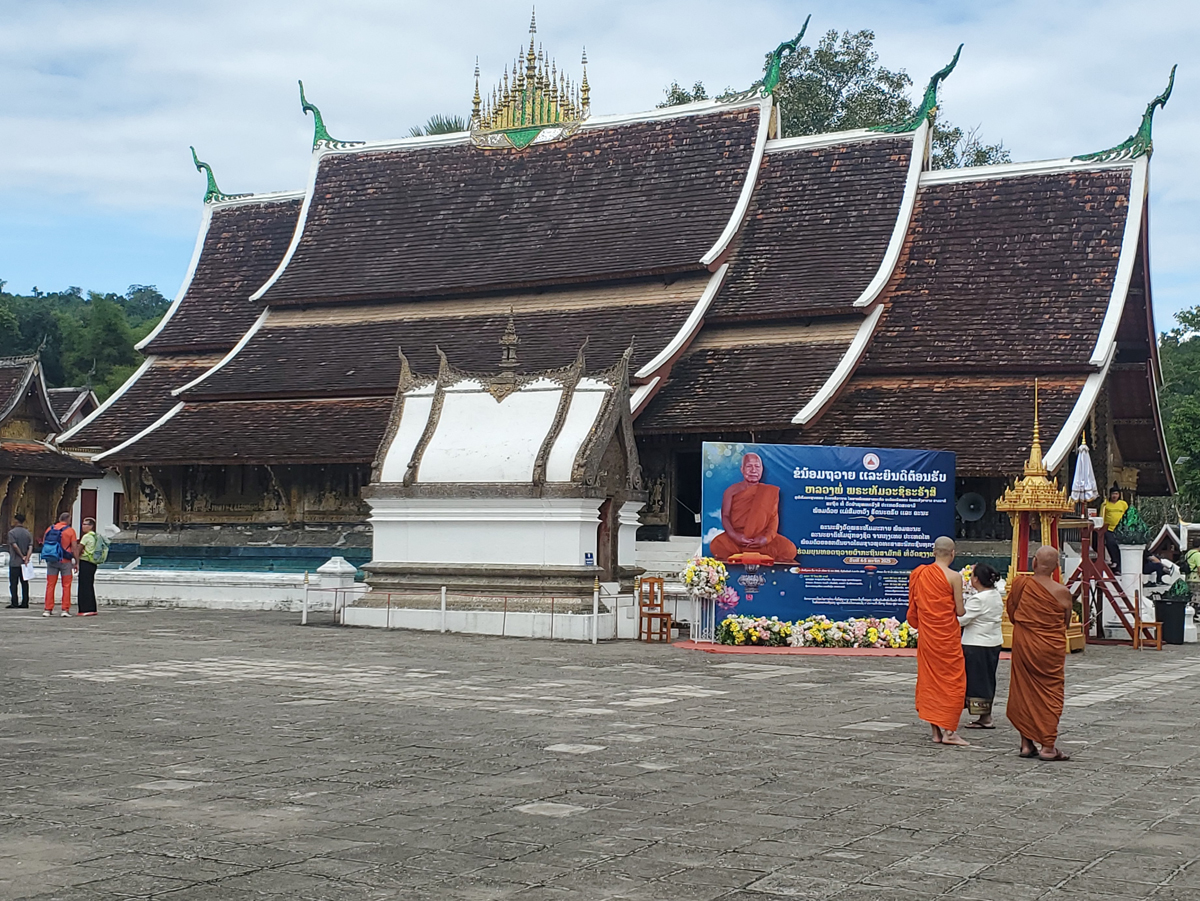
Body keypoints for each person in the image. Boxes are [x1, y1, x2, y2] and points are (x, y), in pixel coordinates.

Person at [1006, 545, 1074, 761]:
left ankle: (1026, 744)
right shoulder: (1062, 592)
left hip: (1025, 643)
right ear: (1057, 567)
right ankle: (1047, 747)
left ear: (1034, 562)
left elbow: (1012, 614)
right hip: (1050, 649)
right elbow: (1065, 623)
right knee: (1050, 692)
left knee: (1023, 690)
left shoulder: (1021, 585)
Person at [907, 536, 968, 747]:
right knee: (953, 681)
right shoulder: (954, 577)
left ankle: (936, 732)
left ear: (934, 552)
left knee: (930, 680)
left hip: (928, 637)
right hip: (947, 638)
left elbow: (914, 608)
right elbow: (960, 611)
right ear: (953, 553)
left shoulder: (920, 574)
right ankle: (949, 732)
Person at [709, 453, 798, 562]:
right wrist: (735, 536)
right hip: (738, 538)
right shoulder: (731, 491)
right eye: (749, 466)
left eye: (757, 466)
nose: (753, 470)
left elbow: (773, 519)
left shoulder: (769, 492)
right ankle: (756, 555)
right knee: (717, 545)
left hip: (760, 538)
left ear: (762, 469)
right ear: (742, 469)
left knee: (789, 549)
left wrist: (765, 539)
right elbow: (725, 516)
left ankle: (743, 555)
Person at [959, 562, 1004, 729]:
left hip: (977, 644)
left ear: (976, 579)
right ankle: (985, 714)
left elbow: (961, 620)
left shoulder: (979, 599)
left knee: (978, 681)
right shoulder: (995, 594)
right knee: (986, 679)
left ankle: (985, 717)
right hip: (992, 642)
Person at [41, 512, 78, 618]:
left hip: (52, 559)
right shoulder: (70, 531)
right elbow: (74, 547)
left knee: (50, 585)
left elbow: (44, 542)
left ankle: (47, 609)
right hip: (65, 561)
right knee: (66, 585)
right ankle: (65, 609)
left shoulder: (50, 529)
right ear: (68, 519)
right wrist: (76, 562)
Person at [1099, 486, 1127, 574]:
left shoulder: (1123, 504)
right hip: (1109, 529)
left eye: (1116, 494)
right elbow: (1101, 516)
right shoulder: (1105, 504)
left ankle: (1119, 565)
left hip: (1121, 529)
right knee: (1111, 544)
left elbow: (1127, 515)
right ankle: (1115, 561)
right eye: (1113, 494)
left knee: (1120, 546)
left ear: (1119, 495)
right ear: (1110, 495)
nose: (1114, 496)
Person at [7, 513, 33, 609]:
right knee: (24, 583)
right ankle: (25, 602)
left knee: (14, 583)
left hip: (15, 562)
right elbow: (30, 547)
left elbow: (14, 546)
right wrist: (27, 558)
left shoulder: (12, 533)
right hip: (25, 564)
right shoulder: (28, 533)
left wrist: (22, 556)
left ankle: (14, 602)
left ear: (16, 521)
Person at [76, 517, 101, 617]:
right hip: (93, 563)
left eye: (85, 524)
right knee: (89, 585)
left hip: (85, 561)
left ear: (91, 526)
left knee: (84, 586)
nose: (83, 526)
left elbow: (79, 548)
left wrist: (76, 560)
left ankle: (85, 608)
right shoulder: (96, 536)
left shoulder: (86, 537)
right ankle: (92, 608)